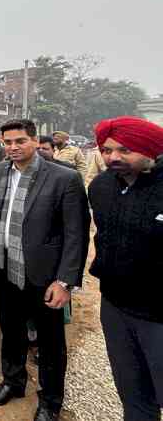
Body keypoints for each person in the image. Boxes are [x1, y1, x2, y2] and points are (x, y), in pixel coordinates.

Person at [0, 119, 90, 421]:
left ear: (35, 141)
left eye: (20, 141)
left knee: (51, 343)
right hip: (3, 269)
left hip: (44, 276)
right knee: (11, 331)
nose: (13, 148)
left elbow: (76, 234)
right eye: (7, 142)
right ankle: (13, 382)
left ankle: (50, 401)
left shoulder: (63, 179)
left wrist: (65, 281)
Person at [88, 116, 163, 420]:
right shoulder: (101, 187)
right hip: (115, 307)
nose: (113, 157)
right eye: (107, 150)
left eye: (125, 149)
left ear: (150, 151)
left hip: (159, 315)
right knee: (133, 393)